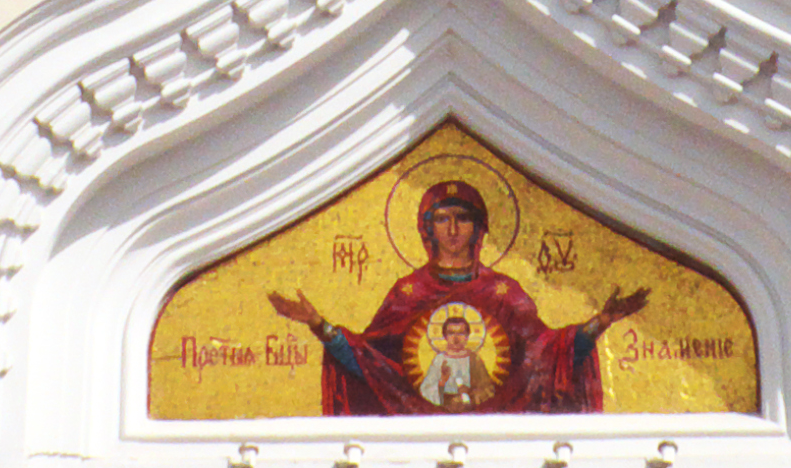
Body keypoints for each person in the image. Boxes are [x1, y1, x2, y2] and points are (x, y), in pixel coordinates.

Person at [270, 177, 645, 416]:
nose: (452, 229)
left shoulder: (504, 293)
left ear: (479, 228)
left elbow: (548, 354)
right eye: (442, 218)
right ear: (427, 228)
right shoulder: (408, 292)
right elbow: (372, 363)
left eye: (462, 219)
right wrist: (320, 326)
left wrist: (599, 324)